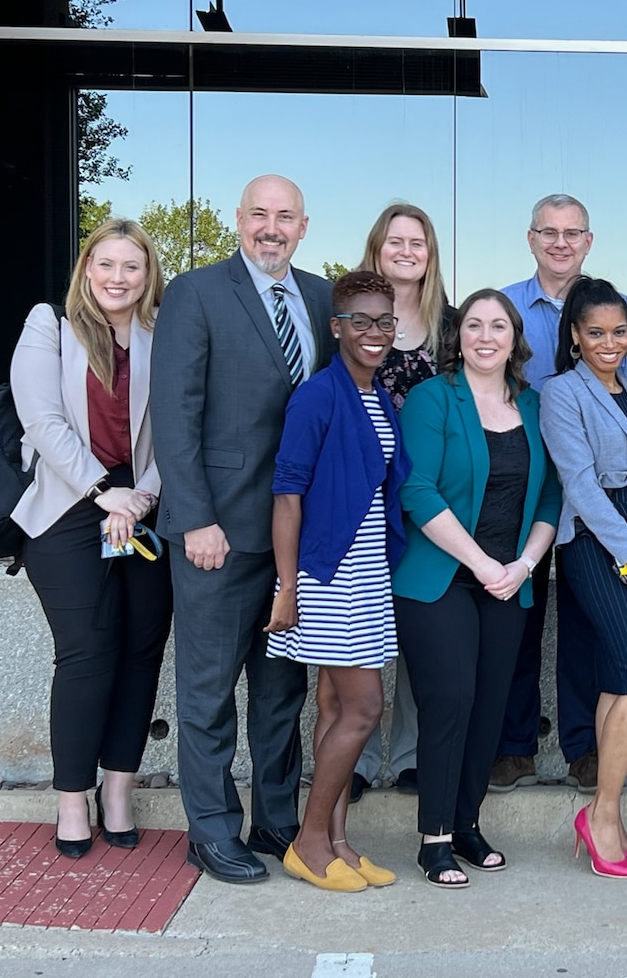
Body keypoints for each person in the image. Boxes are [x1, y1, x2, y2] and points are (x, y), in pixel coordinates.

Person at [152, 174, 334, 884]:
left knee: (282, 690)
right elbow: (175, 414)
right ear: (238, 220)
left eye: (284, 216)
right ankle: (211, 829)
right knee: (207, 692)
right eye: (259, 214)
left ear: (303, 225)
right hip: (217, 537)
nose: (271, 227)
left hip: (294, 538)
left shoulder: (322, 298)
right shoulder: (196, 294)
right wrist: (196, 519)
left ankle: (275, 818)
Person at [11, 218, 171, 858]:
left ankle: (117, 792)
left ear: (147, 274)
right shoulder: (48, 323)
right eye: (106, 264)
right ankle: (72, 799)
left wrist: (144, 494)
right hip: (67, 506)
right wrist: (104, 492)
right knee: (86, 652)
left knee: (141, 651)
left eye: (131, 266)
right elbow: (42, 419)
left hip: (148, 507)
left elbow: (181, 424)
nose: (118, 277)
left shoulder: (165, 331)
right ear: (86, 268)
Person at [392, 289, 561, 889]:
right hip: (439, 581)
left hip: (509, 582)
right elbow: (418, 492)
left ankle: (465, 824)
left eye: (498, 326)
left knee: (489, 708)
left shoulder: (536, 406)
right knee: (452, 699)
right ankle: (433, 839)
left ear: (515, 339)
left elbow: (549, 496)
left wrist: (522, 564)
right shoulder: (433, 398)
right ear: (457, 335)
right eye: (473, 326)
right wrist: (484, 563)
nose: (485, 336)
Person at [495, 194, 627, 794]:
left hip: (598, 489)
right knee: (518, 612)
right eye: (549, 232)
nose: (561, 243)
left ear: (589, 241)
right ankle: (514, 746)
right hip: (523, 480)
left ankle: (585, 746)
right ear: (531, 238)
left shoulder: (616, 308)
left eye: (573, 233)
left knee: (591, 617)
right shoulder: (504, 305)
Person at [264, 271, 410, 893]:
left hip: (368, 573)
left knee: (333, 706)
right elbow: (288, 495)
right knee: (365, 707)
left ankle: (338, 842)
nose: (374, 333)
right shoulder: (318, 395)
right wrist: (288, 584)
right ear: (337, 326)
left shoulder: (377, 395)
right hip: (329, 576)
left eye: (385, 322)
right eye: (361, 321)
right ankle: (306, 841)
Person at [539, 277, 627, 880]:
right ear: (574, 336)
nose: (609, 342)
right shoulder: (559, 393)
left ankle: (610, 816)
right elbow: (579, 486)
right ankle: (601, 815)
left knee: (618, 682)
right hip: (598, 544)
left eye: (619, 332)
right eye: (595, 332)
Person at [352, 201, 456, 803]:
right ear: (377, 246)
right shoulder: (346, 315)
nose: (407, 251)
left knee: (424, 624)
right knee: (360, 625)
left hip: (429, 498)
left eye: (417, 242)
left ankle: (414, 755)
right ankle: (360, 758)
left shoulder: (452, 321)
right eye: (396, 241)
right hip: (363, 495)